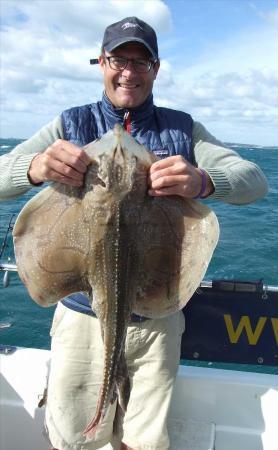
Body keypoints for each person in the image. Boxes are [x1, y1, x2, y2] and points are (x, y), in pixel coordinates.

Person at [0, 16, 268, 450]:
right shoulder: (69, 125)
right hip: (82, 315)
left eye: (141, 62)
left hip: (157, 321)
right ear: (101, 63)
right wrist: (32, 168)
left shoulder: (182, 130)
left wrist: (204, 181)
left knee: (143, 440)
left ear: (156, 69)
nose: (128, 71)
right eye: (117, 59)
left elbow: (254, 179)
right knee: (74, 438)